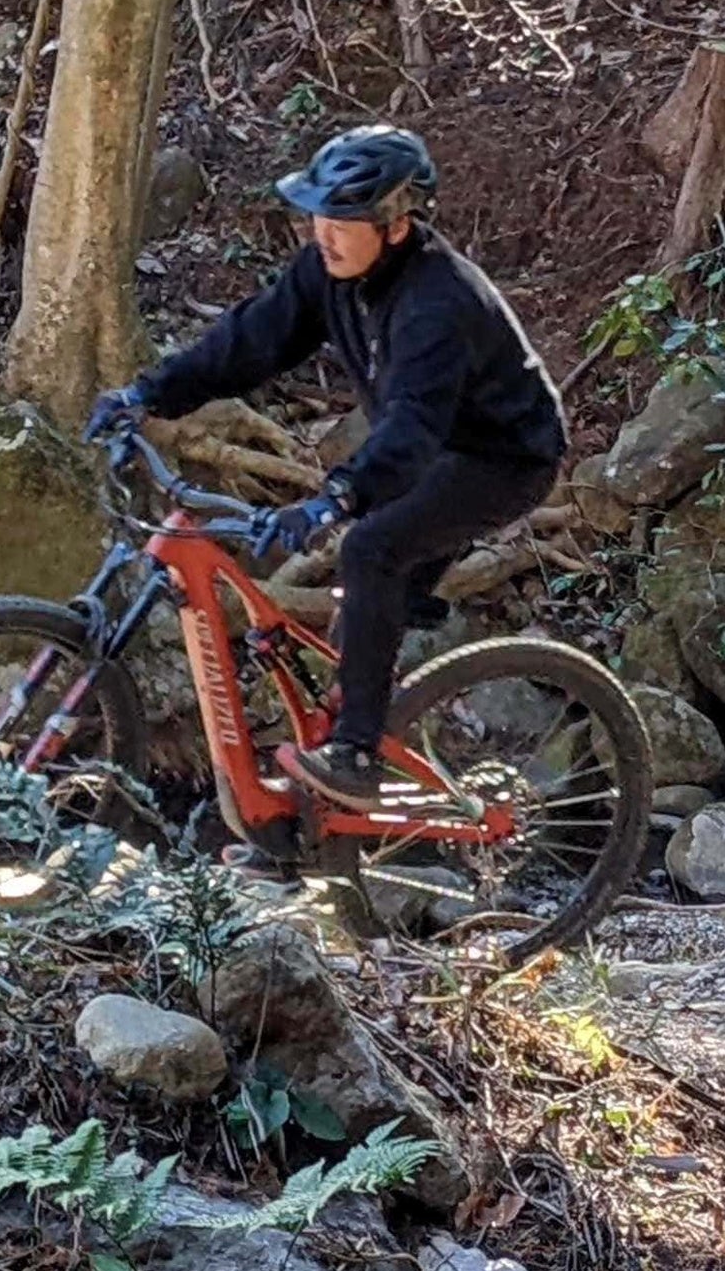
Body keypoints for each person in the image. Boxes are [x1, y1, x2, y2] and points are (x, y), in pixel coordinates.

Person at [86, 126, 564, 808]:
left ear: (395, 225)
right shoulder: (331, 272)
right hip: (431, 447)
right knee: (354, 621)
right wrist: (148, 393)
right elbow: (250, 339)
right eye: (317, 215)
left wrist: (336, 498)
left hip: (502, 456)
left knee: (371, 546)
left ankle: (359, 755)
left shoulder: (438, 303)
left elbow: (412, 428)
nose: (324, 233)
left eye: (343, 221)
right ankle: (311, 822)